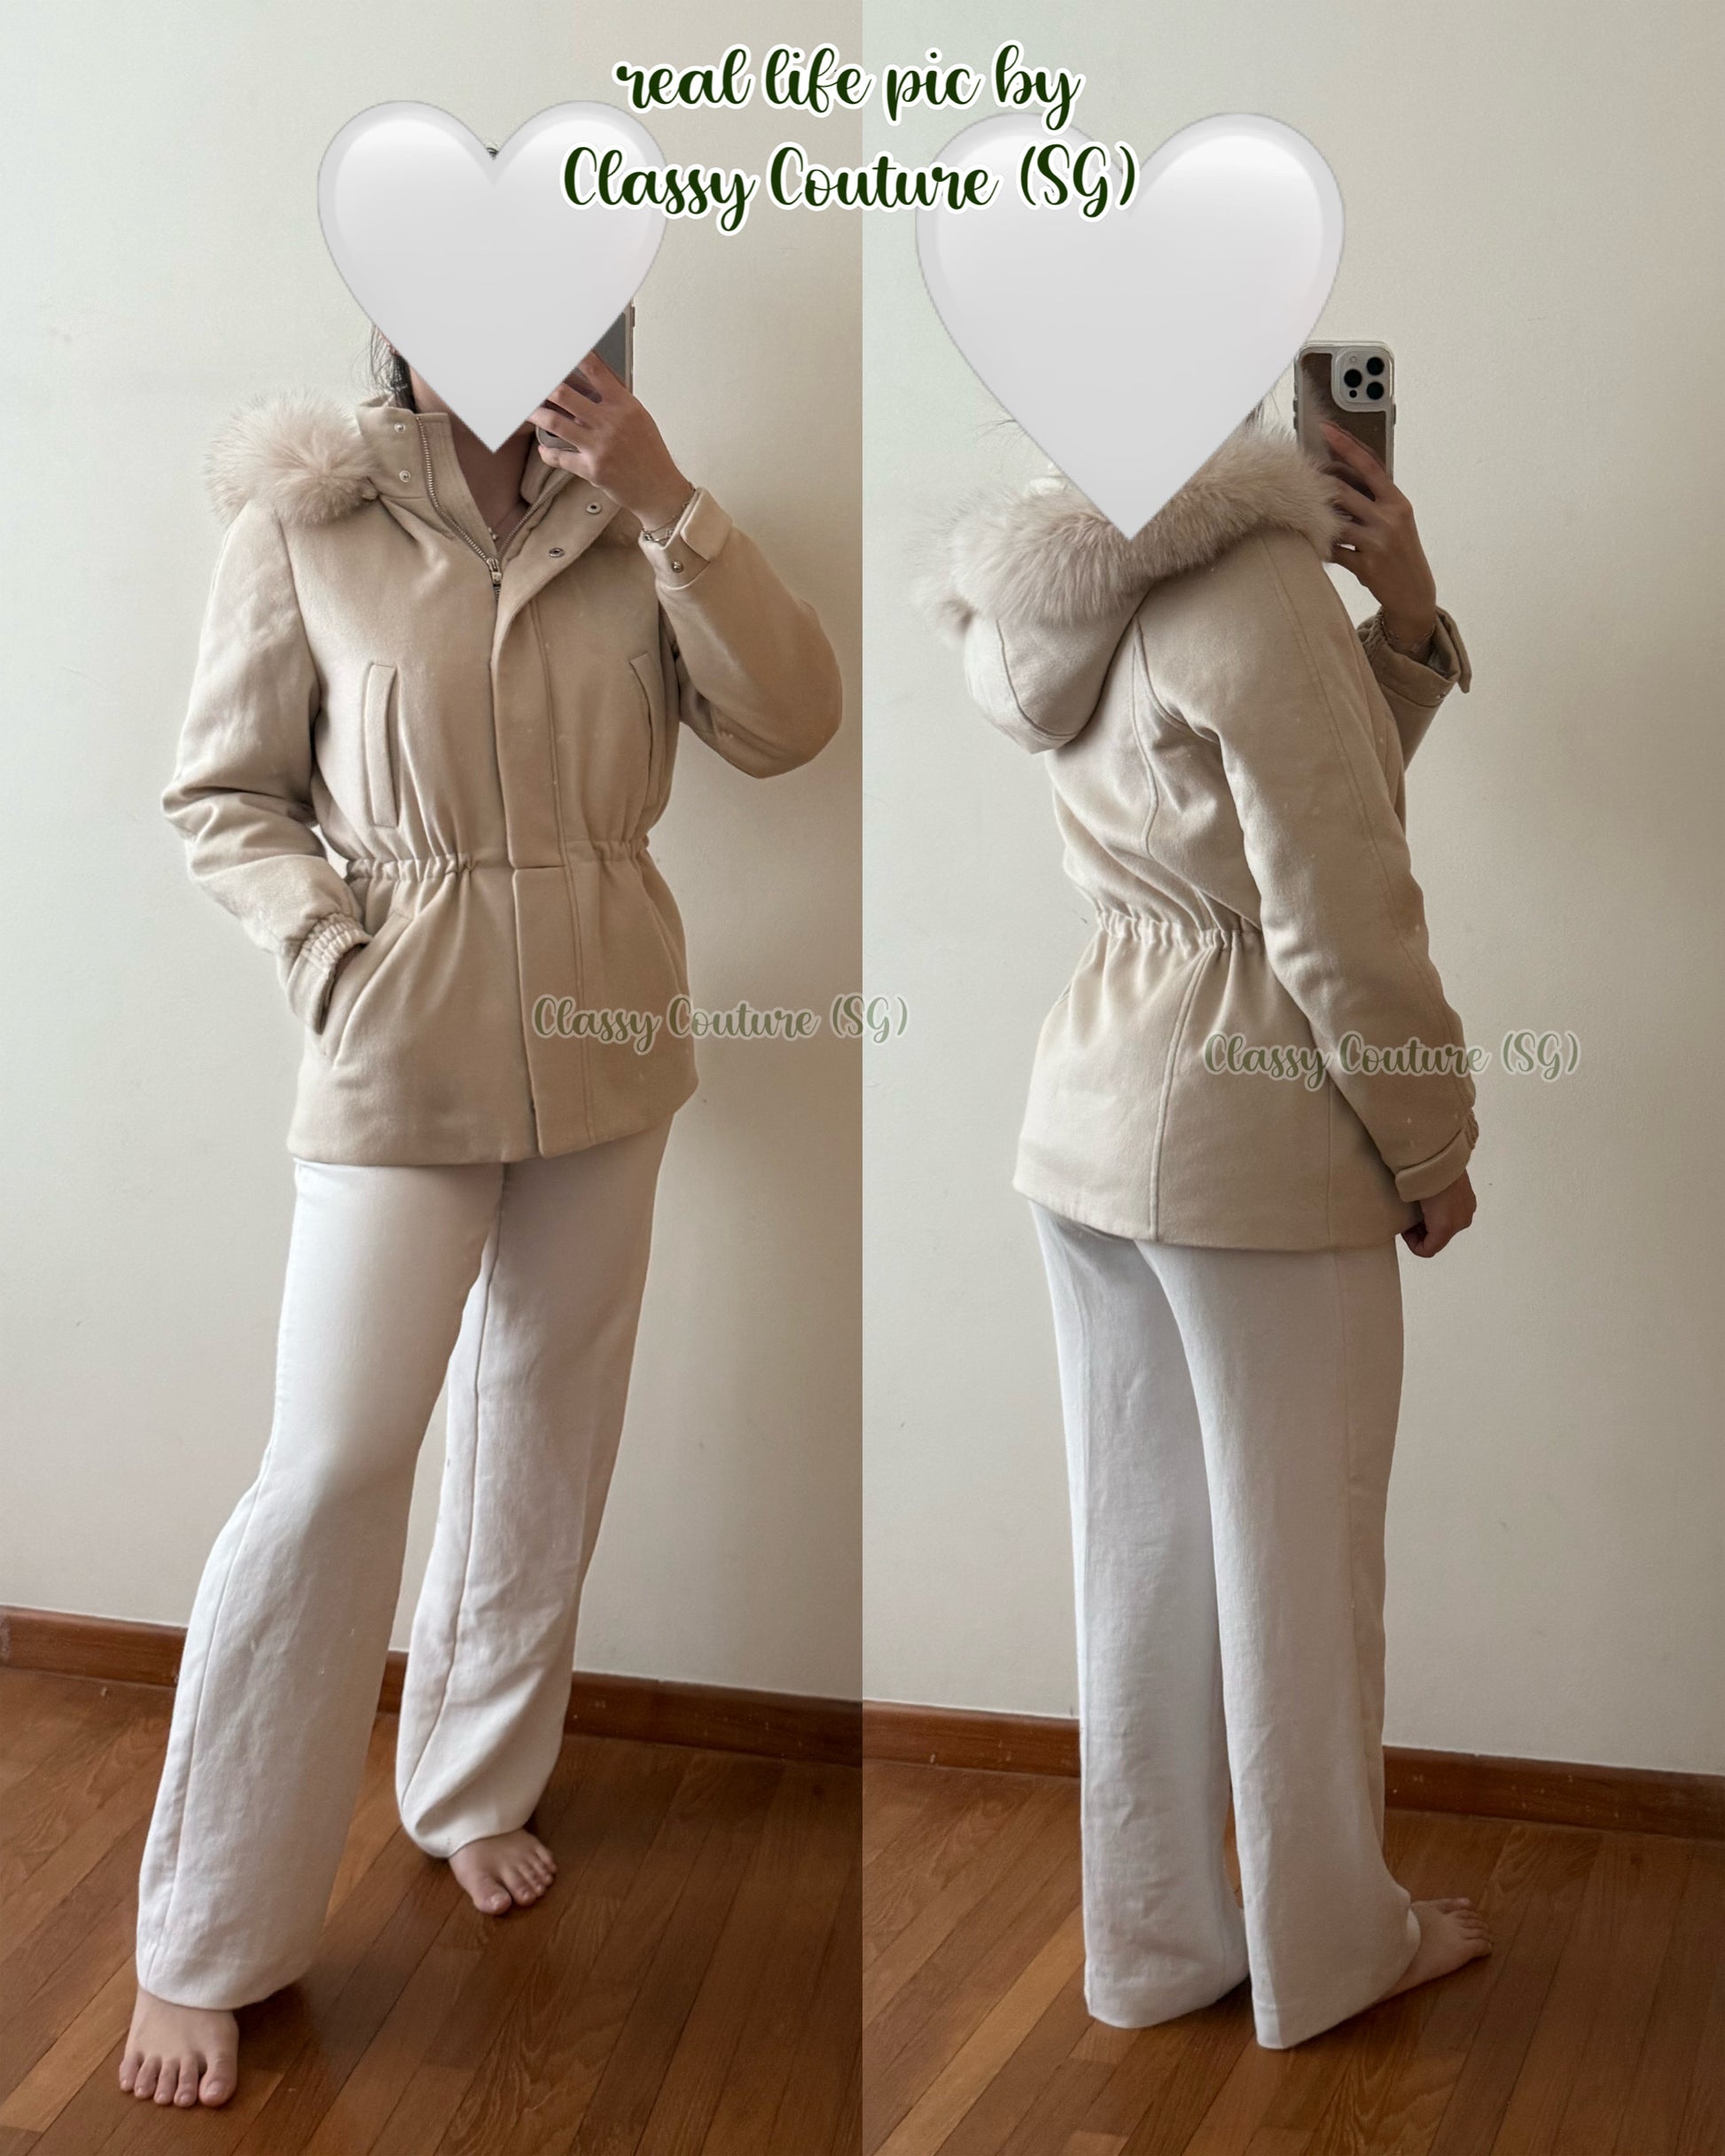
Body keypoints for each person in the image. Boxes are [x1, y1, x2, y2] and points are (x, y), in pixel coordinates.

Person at [121, 338, 842, 2108]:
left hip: (609, 1035)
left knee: (545, 1428)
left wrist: (668, 500)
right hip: (398, 1043)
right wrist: (329, 949)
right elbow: (223, 794)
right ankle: (203, 1934)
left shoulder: (632, 522)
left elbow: (788, 725)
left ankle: (469, 1784)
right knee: (332, 1465)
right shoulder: (310, 513)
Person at [924, 404, 1491, 2051]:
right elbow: (1335, 899)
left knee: (1144, 1556)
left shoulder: (1058, 582)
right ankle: (1331, 1950)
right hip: (1254, 1125)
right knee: (1301, 1561)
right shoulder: (1250, 580)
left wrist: (1401, 623)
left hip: (1091, 1108)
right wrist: (1429, 1136)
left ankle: (1155, 1945)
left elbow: (1246, 804)